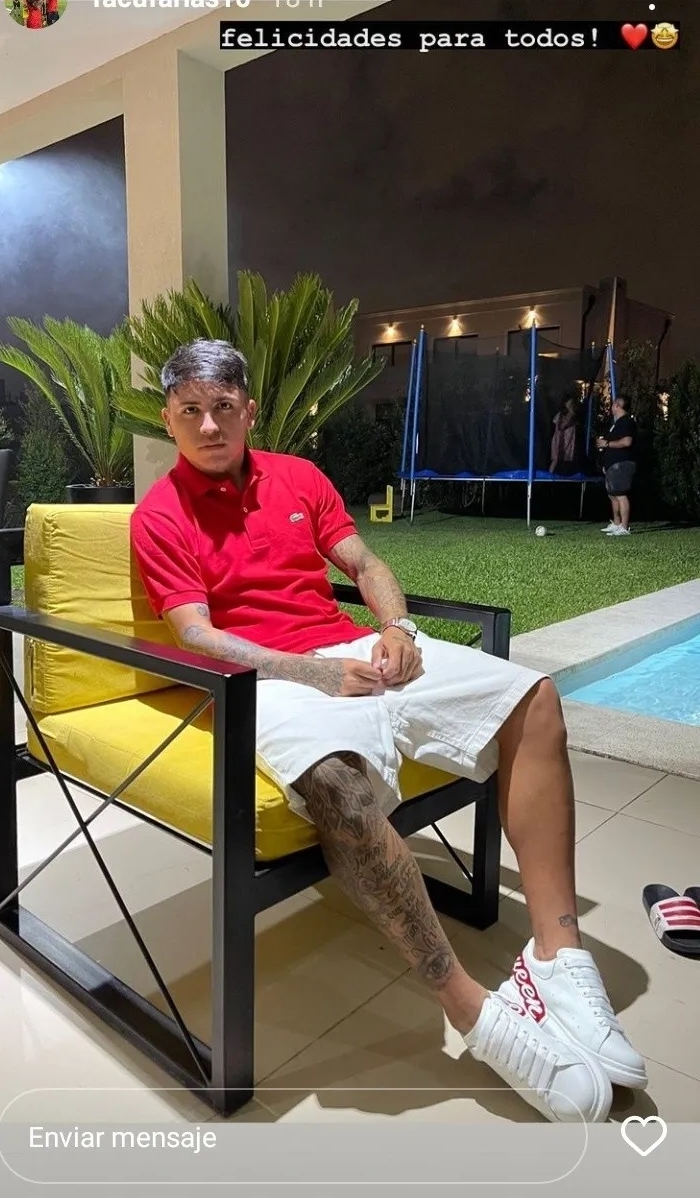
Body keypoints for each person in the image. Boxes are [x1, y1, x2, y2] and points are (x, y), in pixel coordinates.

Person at [130, 338, 647, 1124]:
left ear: (249, 411)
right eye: (191, 411)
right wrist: (312, 674)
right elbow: (197, 635)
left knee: (534, 697)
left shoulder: (298, 478)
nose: (209, 426)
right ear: (169, 419)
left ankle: (558, 955)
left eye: (223, 408)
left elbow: (365, 563)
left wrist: (398, 629)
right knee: (338, 788)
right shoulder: (159, 514)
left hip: (354, 649)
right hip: (267, 680)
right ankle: (472, 1010)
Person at [597, 395, 637, 536]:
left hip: (622, 463)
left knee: (621, 494)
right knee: (612, 494)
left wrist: (607, 444)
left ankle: (624, 527)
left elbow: (627, 442)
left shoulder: (626, 422)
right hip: (612, 464)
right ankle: (616, 523)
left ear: (618, 406)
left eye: (613, 404)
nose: (611, 407)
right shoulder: (616, 423)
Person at [549, 395, 579, 475]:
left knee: (565, 459)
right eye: (569, 403)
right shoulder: (561, 414)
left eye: (572, 403)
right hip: (560, 438)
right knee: (556, 459)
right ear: (565, 403)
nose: (570, 404)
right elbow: (561, 425)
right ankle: (550, 476)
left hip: (569, 439)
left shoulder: (573, 414)